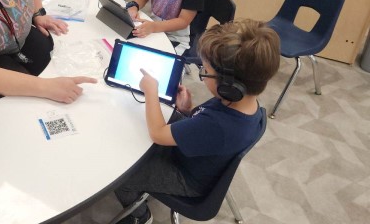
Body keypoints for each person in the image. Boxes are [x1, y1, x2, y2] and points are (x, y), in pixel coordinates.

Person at [113, 19, 280, 224]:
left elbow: (157, 133)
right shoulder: (241, 103)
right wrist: (187, 111)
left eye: (205, 71)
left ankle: (140, 216)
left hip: (186, 178)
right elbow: (206, 130)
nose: (202, 75)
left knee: (122, 174)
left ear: (228, 86)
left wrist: (151, 92)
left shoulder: (220, 125)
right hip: (196, 155)